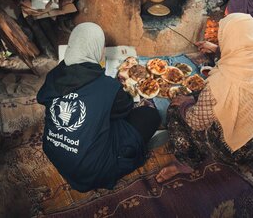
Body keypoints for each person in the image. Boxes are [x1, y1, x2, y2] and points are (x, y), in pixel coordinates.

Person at [156, 13, 253, 182]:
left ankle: (187, 161)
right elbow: (238, 57)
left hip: (237, 150)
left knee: (175, 108)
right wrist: (216, 49)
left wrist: (185, 105)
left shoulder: (218, 83)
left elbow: (196, 122)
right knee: (201, 97)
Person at [37, 22, 161, 192]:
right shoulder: (107, 86)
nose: (103, 51)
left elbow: (46, 98)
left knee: (101, 116)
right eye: (102, 47)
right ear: (95, 49)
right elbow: (125, 108)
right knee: (150, 116)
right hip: (94, 170)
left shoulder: (53, 76)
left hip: (57, 155)